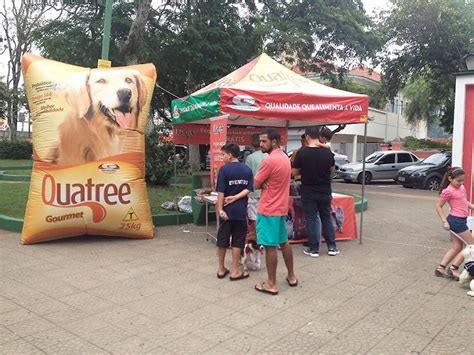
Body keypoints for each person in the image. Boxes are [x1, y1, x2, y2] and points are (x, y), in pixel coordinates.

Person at [254, 128, 298, 295]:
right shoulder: (285, 158)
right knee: (283, 242)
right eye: (260, 141)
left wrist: (262, 182)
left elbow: (254, 183)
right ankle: (291, 276)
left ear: (274, 142)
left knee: (270, 246)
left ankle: (271, 284)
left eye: (264, 141)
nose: (261, 144)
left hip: (269, 209)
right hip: (280, 207)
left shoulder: (269, 161)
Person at [292, 126, 340, 257]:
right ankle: (332, 247)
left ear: (307, 137)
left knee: (311, 218)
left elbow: (294, 172)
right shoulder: (327, 152)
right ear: (318, 137)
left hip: (308, 190)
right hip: (325, 190)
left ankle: (314, 249)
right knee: (326, 217)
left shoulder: (302, 152)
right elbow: (332, 169)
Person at [215, 143, 254, 280]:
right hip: (240, 212)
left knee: (223, 239)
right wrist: (237, 197)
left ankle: (221, 269)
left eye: (223, 154)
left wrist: (220, 209)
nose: (222, 157)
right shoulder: (247, 170)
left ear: (230, 155)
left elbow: (221, 192)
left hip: (226, 212)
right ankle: (235, 271)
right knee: (238, 240)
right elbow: (249, 189)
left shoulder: (224, 170)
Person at [435, 167, 474, 280]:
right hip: (455, 221)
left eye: (463, 180)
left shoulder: (461, 187)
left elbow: (463, 201)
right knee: (471, 246)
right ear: (450, 179)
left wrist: (472, 206)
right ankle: (453, 268)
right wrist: (444, 221)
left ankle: (440, 269)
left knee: (457, 247)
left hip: (461, 220)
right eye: (458, 180)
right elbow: (438, 206)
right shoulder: (447, 191)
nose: (461, 183)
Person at [245, 133, 268, 241]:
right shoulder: (269, 156)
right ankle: (266, 237)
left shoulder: (250, 158)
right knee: (267, 217)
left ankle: (256, 238)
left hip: (254, 192)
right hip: (267, 192)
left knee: (254, 218)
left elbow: (246, 175)